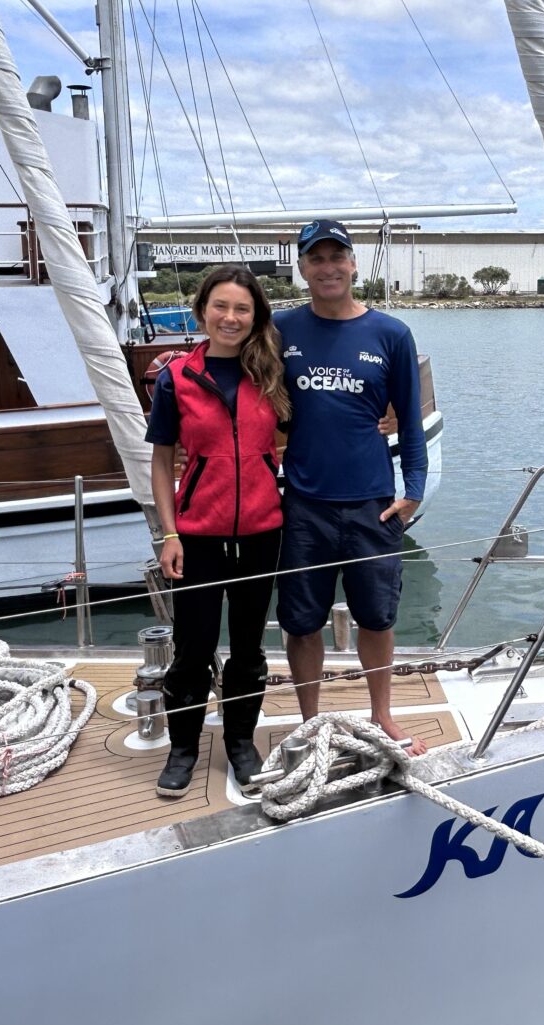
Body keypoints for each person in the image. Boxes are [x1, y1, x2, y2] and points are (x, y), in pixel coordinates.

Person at [274, 218, 430, 753]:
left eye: (336, 256)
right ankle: (309, 719)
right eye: (316, 259)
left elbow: (410, 421)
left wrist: (413, 490)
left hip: (372, 504)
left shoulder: (391, 334)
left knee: (378, 617)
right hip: (304, 504)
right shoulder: (280, 330)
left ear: (354, 263)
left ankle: (382, 712)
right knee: (301, 622)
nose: (327, 267)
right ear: (302, 268)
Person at [146, 264, 291, 797]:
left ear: (256, 317)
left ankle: (240, 745)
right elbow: (162, 462)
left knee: (249, 649)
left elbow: (305, 435)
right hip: (199, 535)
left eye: (242, 309)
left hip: (260, 532)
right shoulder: (177, 378)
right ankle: (182, 749)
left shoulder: (272, 374)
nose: (230, 318)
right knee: (192, 647)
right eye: (221, 307)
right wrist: (170, 533)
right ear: (202, 310)